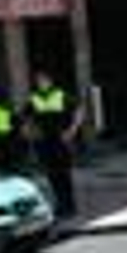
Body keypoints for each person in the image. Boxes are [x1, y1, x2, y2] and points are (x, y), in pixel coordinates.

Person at [27, 70, 84, 218]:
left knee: (64, 174)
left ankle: (70, 206)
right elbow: (26, 118)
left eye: (43, 81)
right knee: (52, 175)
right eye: (38, 81)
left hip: (60, 140)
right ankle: (60, 205)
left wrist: (72, 131)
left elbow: (79, 111)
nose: (41, 84)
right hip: (45, 142)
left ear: (50, 82)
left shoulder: (60, 95)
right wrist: (32, 133)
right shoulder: (34, 99)